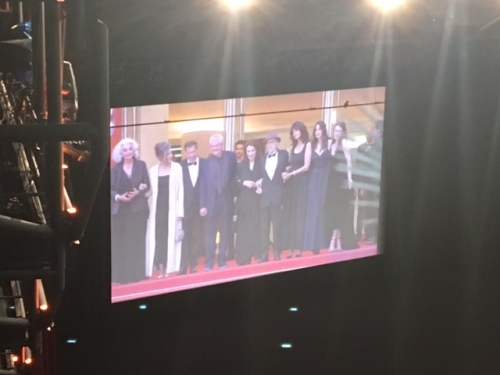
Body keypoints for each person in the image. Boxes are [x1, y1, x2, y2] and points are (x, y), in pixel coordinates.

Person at [111, 138, 150, 284]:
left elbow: (147, 184)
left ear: (134, 151)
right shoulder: (115, 169)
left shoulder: (141, 165)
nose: (128, 152)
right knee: (122, 243)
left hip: (138, 210)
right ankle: (123, 276)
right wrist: (118, 197)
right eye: (125, 150)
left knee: (137, 241)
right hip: (121, 211)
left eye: (130, 149)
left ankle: (137, 274)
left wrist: (139, 191)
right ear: (120, 153)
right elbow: (110, 190)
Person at [145, 142, 184, 278]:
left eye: (171, 152)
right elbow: (149, 191)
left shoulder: (177, 168)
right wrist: (140, 191)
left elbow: (181, 191)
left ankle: (169, 269)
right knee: (159, 239)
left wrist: (180, 212)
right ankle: (161, 269)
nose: (171, 155)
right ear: (160, 156)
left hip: (172, 210)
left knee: (170, 239)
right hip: (158, 211)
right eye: (168, 153)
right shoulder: (153, 170)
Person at [199, 134, 237, 270]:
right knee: (210, 234)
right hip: (210, 203)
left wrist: (234, 193)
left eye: (217, 145)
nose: (215, 148)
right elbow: (202, 185)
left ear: (222, 145)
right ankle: (209, 262)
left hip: (225, 200)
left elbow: (235, 175)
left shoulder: (231, 157)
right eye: (212, 146)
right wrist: (202, 205)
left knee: (225, 232)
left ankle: (222, 261)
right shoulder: (205, 163)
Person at [325, 121, 359, 251]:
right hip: (332, 182)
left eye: (339, 131)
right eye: (335, 131)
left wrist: (350, 178)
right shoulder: (331, 144)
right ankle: (337, 241)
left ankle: (334, 241)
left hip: (342, 182)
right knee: (334, 211)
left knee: (340, 211)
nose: (336, 133)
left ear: (343, 132)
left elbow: (349, 162)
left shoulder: (344, 143)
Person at [256, 132, 289, 262]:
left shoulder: (283, 154)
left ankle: (277, 252)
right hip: (264, 196)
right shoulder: (262, 159)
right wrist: (258, 184)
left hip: (278, 194)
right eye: (268, 143)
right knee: (264, 227)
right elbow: (261, 176)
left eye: (272, 142)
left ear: (277, 143)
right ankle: (264, 253)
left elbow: (288, 166)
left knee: (277, 226)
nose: (270, 145)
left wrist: (287, 171)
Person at [282, 121, 312, 258]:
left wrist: (292, 173)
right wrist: (286, 171)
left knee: (300, 216)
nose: (294, 133)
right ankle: (290, 248)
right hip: (292, 185)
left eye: (296, 130)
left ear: (302, 130)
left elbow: (306, 166)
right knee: (291, 216)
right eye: (293, 131)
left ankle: (299, 248)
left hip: (302, 184)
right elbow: (290, 165)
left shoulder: (308, 145)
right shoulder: (291, 148)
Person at [303, 121, 331, 254]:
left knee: (322, 208)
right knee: (313, 209)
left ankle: (323, 242)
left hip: (325, 178)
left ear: (323, 130)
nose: (317, 132)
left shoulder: (329, 143)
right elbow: (307, 165)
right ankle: (312, 244)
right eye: (316, 130)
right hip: (313, 178)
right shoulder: (311, 145)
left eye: (320, 129)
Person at [179, 140, 205, 274]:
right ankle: (183, 265)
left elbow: (207, 186)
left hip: (200, 208)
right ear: (185, 152)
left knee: (197, 237)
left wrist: (205, 205)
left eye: (194, 151)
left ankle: (194, 264)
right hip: (185, 207)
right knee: (185, 237)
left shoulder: (205, 163)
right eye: (189, 152)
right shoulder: (180, 166)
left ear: (197, 150)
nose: (192, 155)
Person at [234, 141, 262, 265]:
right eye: (248, 151)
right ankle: (243, 257)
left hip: (257, 200)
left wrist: (261, 182)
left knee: (256, 227)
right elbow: (234, 183)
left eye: (253, 151)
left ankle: (256, 254)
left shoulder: (261, 164)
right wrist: (244, 183)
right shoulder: (240, 165)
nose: (250, 153)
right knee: (243, 229)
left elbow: (266, 178)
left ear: (256, 151)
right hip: (244, 201)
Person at [355, 120, 383, 244]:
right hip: (365, 182)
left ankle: (373, 235)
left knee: (374, 210)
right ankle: (363, 234)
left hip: (375, 183)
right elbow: (359, 167)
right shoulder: (361, 148)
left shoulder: (378, 147)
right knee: (364, 210)